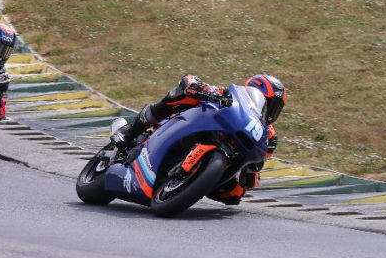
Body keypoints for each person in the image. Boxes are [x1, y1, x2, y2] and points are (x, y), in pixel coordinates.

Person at [111, 73, 286, 205]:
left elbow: (258, 165)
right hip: (191, 124)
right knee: (182, 95)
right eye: (268, 103)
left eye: (275, 107)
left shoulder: (268, 135)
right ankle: (131, 131)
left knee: (234, 196)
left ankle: (188, 184)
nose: (270, 110)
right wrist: (202, 89)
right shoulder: (232, 97)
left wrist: (252, 173)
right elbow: (190, 81)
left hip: (226, 159)